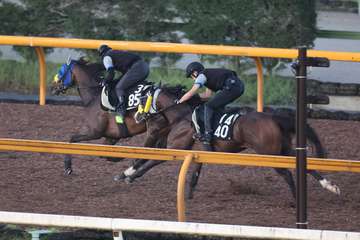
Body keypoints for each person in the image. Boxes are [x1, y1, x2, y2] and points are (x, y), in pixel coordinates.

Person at [178, 62, 244, 145]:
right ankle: (237, 111)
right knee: (215, 106)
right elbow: (207, 95)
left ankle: (207, 134)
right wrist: (194, 97)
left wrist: (179, 101)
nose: (193, 79)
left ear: (195, 73)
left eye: (191, 76)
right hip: (237, 86)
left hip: (232, 86)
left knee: (208, 106)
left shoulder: (201, 76)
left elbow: (192, 91)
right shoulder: (207, 76)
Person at [98, 44, 149, 124]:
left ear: (101, 54)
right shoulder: (115, 53)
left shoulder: (106, 57)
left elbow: (111, 73)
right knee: (123, 84)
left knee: (119, 88)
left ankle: (121, 111)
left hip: (137, 67)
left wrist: (105, 81)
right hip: (144, 67)